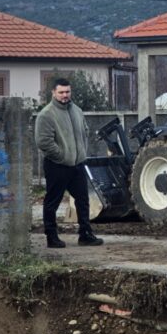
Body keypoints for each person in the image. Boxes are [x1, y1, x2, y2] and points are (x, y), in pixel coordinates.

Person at [35, 78, 103, 248]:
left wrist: (80, 154)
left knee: (83, 200)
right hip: (57, 165)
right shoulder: (47, 114)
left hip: (77, 165)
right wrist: (62, 156)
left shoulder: (77, 110)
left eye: (67, 92)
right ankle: (51, 237)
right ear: (53, 93)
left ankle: (85, 235)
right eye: (61, 92)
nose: (65, 95)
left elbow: (84, 131)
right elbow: (43, 142)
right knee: (53, 201)